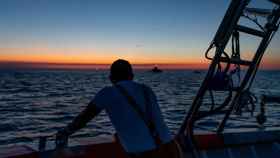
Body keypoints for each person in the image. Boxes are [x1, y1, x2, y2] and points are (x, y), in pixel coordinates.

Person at [56, 59, 182, 158]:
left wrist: (65, 132)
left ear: (111, 78)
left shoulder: (108, 93)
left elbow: (84, 118)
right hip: (172, 148)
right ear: (131, 76)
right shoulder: (146, 90)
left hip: (147, 154)